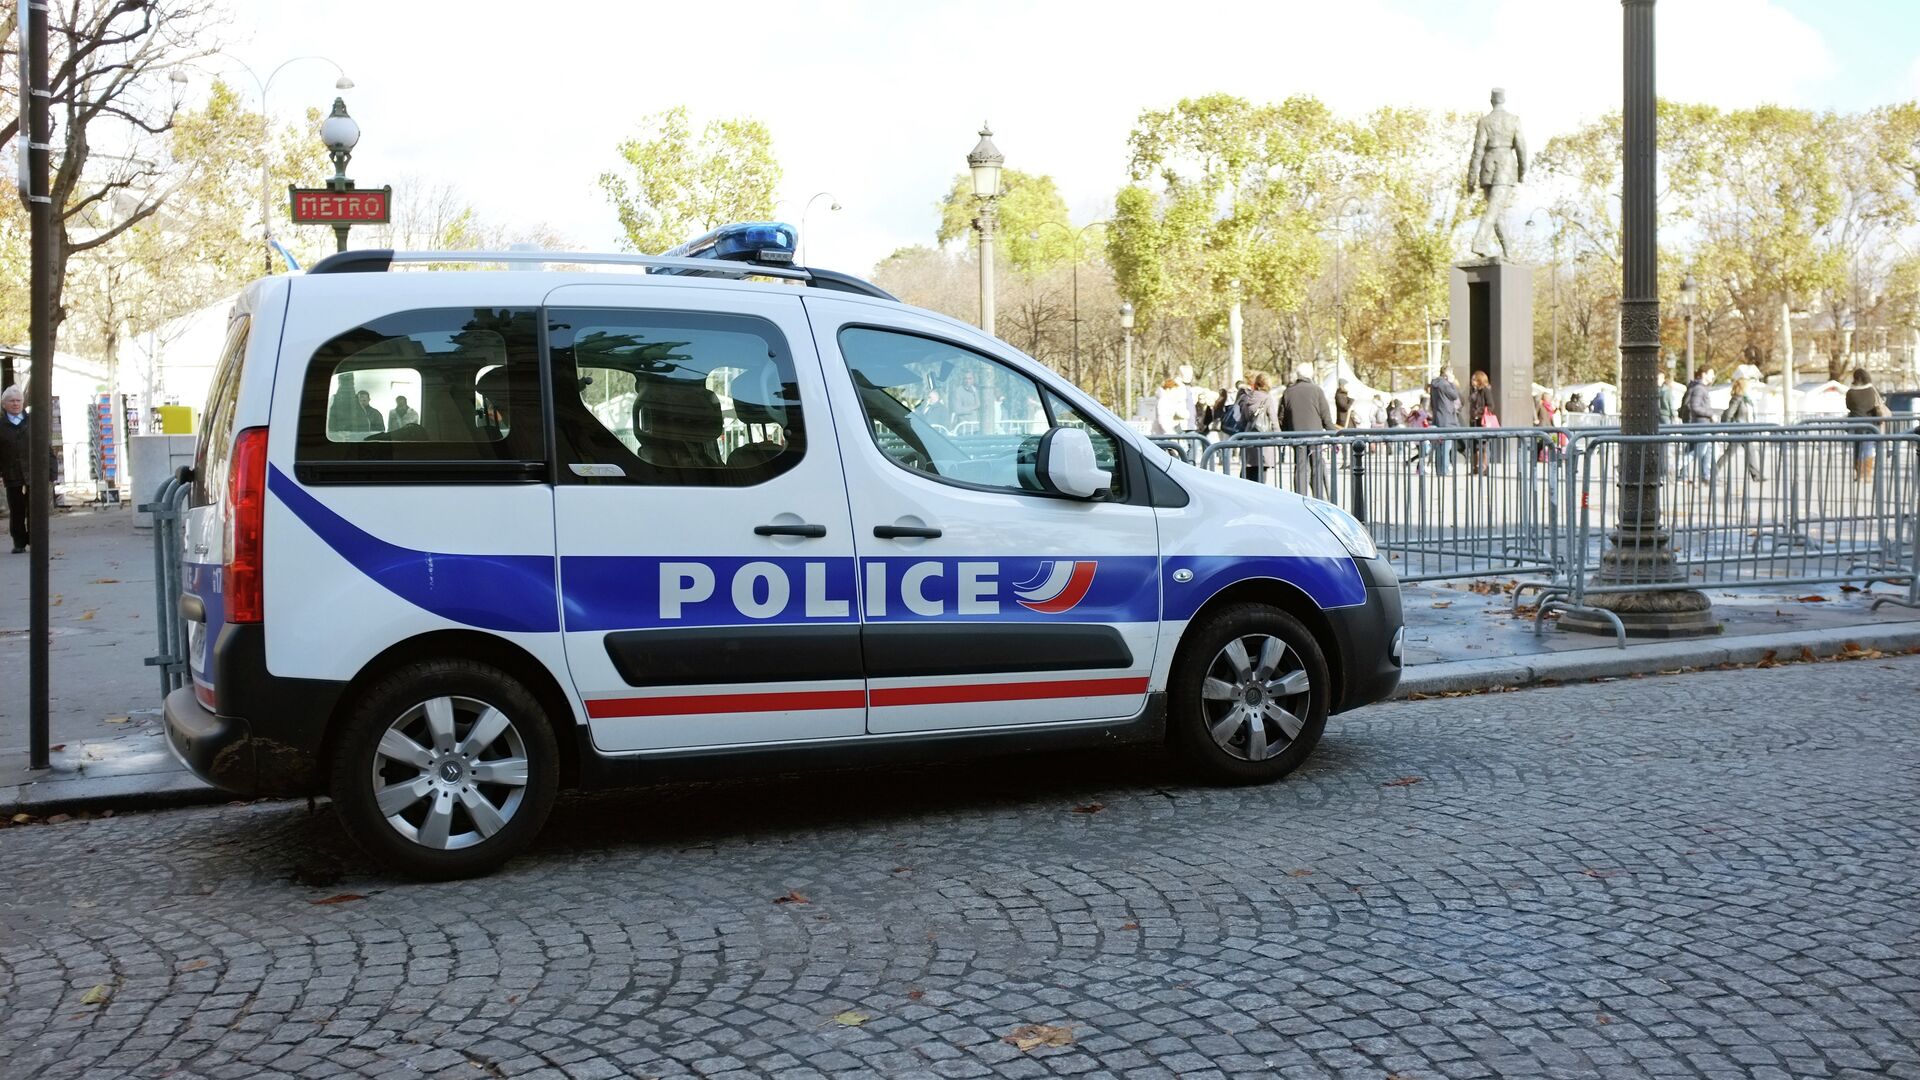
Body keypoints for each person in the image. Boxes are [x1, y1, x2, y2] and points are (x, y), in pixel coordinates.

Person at [1280, 363, 1334, 499]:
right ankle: (1318, 498)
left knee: (1300, 467)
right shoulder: (1317, 390)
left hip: (1296, 435)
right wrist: (1333, 433)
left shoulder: (1288, 392)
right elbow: (1325, 415)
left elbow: (1281, 417)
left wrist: (1286, 433)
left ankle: (1300, 497)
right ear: (1310, 374)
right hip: (1315, 435)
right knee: (1316, 467)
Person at [1845, 367, 1888, 482]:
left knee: (1857, 448)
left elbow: (1848, 406)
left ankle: (1858, 473)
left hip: (1854, 423)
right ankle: (1867, 474)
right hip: (1870, 424)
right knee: (1868, 447)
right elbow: (1875, 405)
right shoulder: (1871, 390)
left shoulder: (1850, 392)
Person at [1716, 377, 1764, 481]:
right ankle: (1714, 470)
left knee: (1750, 451)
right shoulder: (1737, 398)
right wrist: (1729, 427)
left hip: (1744, 430)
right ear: (1743, 387)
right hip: (1738, 430)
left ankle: (1756, 475)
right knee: (1730, 453)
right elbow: (1729, 414)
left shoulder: (1745, 399)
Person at [2, 385, 31, 553]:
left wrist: (51, 470)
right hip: (11, 472)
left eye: (18, 400)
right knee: (16, 508)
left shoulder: (33, 421)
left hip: (33, 471)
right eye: (11, 401)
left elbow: (45, 446)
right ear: (4, 404)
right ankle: (19, 541)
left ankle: (35, 538)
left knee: (34, 507)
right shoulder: (1, 424)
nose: (15, 404)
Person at [1237, 374, 1278, 483]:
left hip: (1248, 439)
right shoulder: (1267, 398)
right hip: (1263, 441)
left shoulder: (1247, 398)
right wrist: (1279, 437)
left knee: (1247, 475)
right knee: (1261, 477)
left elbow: (1242, 420)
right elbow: (1273, 420)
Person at [1681, 370, 1714, 483]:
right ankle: (1679, 468)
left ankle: (1705, 474)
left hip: (1697, 422)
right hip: (1699, 423)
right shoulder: (1699, 388)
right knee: (1698, 450)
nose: (1713, 376)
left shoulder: (1695, 387)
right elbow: (1695, 406)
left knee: (1704, 448)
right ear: (1704, 374)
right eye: (1711, 373)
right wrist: (1710, 414)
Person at [1428, 368, 1462, 475]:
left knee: (1439, 445)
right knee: (1446, 446)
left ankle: (1439, 469)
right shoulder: (1445, 384)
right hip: (1447, 419)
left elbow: (1432, 403)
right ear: (1447, 373)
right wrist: (1452, 383)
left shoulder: (1434, 385)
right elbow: (1454, 396)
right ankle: (1444, 470)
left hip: (1438, 418)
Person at [1468, 370, 1495, 474]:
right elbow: (1470, 400)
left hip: (1482, 421)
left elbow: (1491, 405)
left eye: (1475, 379)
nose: (1472, 381)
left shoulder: (1486, 391)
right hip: (1474, 421)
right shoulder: (1474, 390)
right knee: (1475, 445)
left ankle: (1484, 467)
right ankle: (1476, 467)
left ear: (1480, 380)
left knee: (1483, 445)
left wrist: (1479, 412)